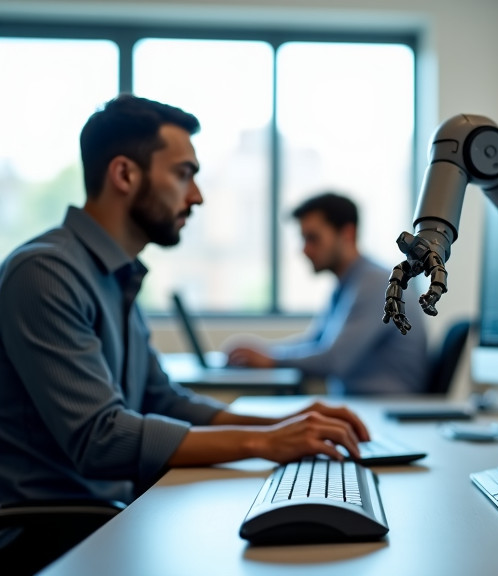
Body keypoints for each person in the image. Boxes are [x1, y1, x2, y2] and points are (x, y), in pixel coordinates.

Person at [0, 94, 371, 573]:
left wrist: (286, 427)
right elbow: (101, 438)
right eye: (183, 174)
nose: (196, 195)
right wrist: (262, 443)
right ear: (125, 174)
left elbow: (162, 398)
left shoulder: (117, 275)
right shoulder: (45, 273)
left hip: (104, 514)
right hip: (51, 532)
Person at [225, 192, 429, 395]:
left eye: (313, 238)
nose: (304, 250)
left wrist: (270, 359)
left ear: (347, 234)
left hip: (382, 408)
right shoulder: (349, 283)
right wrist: (266, 352)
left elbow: (333, 360)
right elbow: (315, 342)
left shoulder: (376, 284)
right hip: (361, 403)